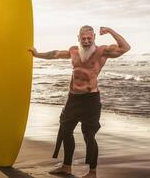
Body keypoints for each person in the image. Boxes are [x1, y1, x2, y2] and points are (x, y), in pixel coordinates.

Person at [28, 26, 131, 178]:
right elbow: (55, 54)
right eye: (84, 38)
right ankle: (66, 166)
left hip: (91, 100)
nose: (87, 41)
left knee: (89, 135)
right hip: (73, 98)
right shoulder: (73, 51)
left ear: (94, 37)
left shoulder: (102, 51)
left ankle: (92, 172)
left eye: (89, 38)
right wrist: (37, 54)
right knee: (65, 130)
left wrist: (109, 31)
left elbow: (125, 48)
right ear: (78, 38)